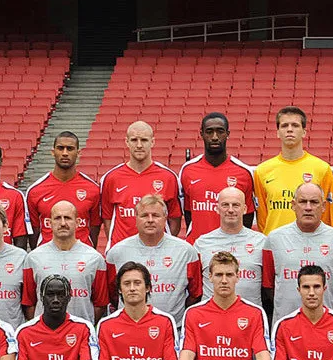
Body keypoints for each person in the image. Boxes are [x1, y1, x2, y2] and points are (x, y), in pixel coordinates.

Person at [261, 182, 333, 327]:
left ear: (323, 206)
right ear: (293, 205)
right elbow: (268, 285)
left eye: (314, 202)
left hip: (328, 327)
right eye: (303, 202)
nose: (308, 207)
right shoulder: (274, 239)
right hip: (286, 326)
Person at [104, 195, 201, 324]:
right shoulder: (117, 252)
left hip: (172, 329)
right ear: (136, 218)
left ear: (165, 218)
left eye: (155, 215)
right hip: (128, 327)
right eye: (144, 215)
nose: (150, 220)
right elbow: (113, 294)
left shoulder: (186, 251)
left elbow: (195, 294)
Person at [22, 201, 109, 324]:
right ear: (49, 223)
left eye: (67, 218)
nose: (63, 223)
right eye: (57, 218)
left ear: (77, 222)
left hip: (80, 332)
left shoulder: (95, 258)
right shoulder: (33, 258)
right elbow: (29, 303)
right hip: (44, 332)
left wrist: (82, 325)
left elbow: (100, 304)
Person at [254, 106, 333, 235]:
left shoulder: (322, 169)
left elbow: (326, 213)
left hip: (311, 240)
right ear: (278, 132)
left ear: (304, 132)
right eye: (284, 125)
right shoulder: (262, 171)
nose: (290, 129)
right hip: (276, 242)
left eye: (295, 125)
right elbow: (262, 218)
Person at [99, 120, 181, 248]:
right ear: (127, 142)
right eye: (134, 140)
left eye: (144, 140)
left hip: (157, 250)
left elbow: (174, 219)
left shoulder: (168, 177)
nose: (139, 145)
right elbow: (108, 219)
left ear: (152, 142)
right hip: (123, 249)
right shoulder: (111, 178)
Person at [178, 112, 255, 242]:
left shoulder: (243, 172)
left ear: (227, 134)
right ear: (202, 134)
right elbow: (188, 212)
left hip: (231, 247)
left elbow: (247, 216)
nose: (214, 137)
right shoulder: (188, 170)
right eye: (209, 132)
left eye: (220, 131)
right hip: (198, 245)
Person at [25, 131, 101, 247]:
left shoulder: (92, 189)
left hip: (82, 255)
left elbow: (94, 229)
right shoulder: (35, 190)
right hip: (47, 255)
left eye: (70, 149)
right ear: (53, 152)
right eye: (60, 148)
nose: (65, 153)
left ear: (78, 153)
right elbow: (34, 232)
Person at [194, 186, 265, 306]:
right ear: (217, 209)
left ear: (245, 209)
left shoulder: (261, 242)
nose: (230, 210)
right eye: (225, 205)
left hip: (250, 314)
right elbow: (194, 287)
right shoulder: (202, 243)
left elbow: (269, 284)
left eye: (236, 205)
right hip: (211, 313)